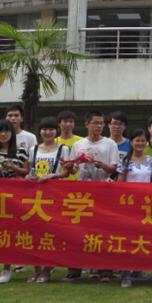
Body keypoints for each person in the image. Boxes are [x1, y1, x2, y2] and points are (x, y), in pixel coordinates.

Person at [62, 110, 120, 283]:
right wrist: (69, 167)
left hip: (103, 192)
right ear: (87, 125)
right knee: (78, 231)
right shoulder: (78, 144)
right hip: (82, 193)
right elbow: (74, 169)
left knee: (104, 232)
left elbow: (114, 168)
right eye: (96, 123)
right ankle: (74, 270)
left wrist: (102, 165)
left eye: (101, 123)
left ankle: (105, 270)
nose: (99, 126)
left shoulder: (110, 144)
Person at [25, 117, 74, 283]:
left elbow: (66, 172)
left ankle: (46, 270)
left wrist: (53, 175)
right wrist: (28, 176)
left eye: (51, 129)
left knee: (49, 232)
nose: (48, 132)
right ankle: (36, 270)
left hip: (53, 194)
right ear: (40, 131)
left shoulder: (63, 149)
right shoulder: (33, 149)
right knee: (34, 232)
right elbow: (30, 169)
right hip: (35, 195)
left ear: (57, 131)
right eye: (44, 129)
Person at [108, 129, 152, 288]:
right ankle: (126, 273)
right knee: (128, 239)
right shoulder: (125, 161)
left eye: (143, 141)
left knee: (141, 238)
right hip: (129, 206)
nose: (140, 143)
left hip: (146, 205)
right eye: (137, 140)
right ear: (131, 142)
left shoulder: (150, 160)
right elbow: (120, 184)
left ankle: (137, 270)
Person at [0, 119, 30, 285]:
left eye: (6, 131)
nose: (3, 134)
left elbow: (27, 171)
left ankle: (6, 269)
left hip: (12, 198)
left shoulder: (20, 151)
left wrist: (13, 168)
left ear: (12, 133)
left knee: (8, 233)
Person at [55, 110, 82, 181]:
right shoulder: (53, 142)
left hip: (77, 181)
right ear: (59, 123)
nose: (68, 124)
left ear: (74, 124)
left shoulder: (81, 141)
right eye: (65, 121)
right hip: (57, 181)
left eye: (71, 121)